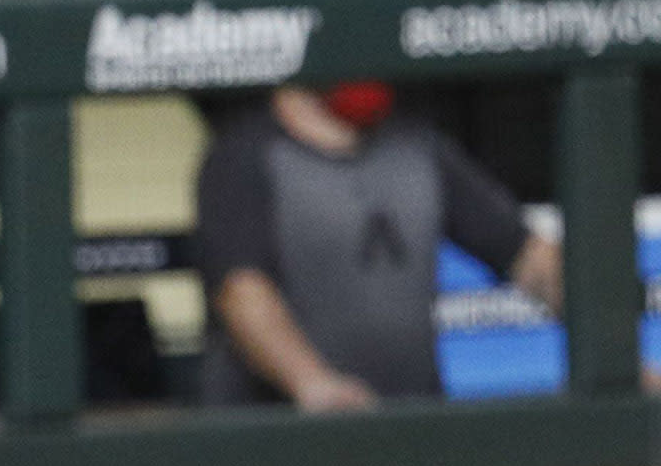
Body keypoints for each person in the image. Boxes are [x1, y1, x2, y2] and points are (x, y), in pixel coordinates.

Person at [193, 80, 563, 410]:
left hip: (411, 429)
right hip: (282, 438)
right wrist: (311, 383)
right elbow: (242, 294)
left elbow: (526, 255)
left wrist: (609, 331)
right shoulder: (244, 157)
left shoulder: (417, 147)